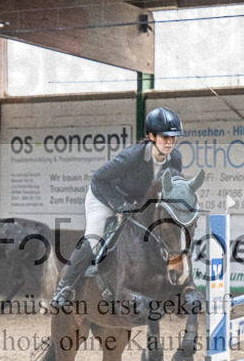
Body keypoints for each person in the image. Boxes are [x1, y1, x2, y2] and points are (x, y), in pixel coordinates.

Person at [51, 106, 185, 307]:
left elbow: (171, 190)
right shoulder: (132, 156)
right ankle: (65, 286)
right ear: (151, 136)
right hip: (105, 196)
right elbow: (98, 179)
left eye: (173, 137)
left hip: (137, 203)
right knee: (95, 236)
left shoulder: (175, 158)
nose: (170, 142)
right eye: (165, 137)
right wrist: (121, 206)